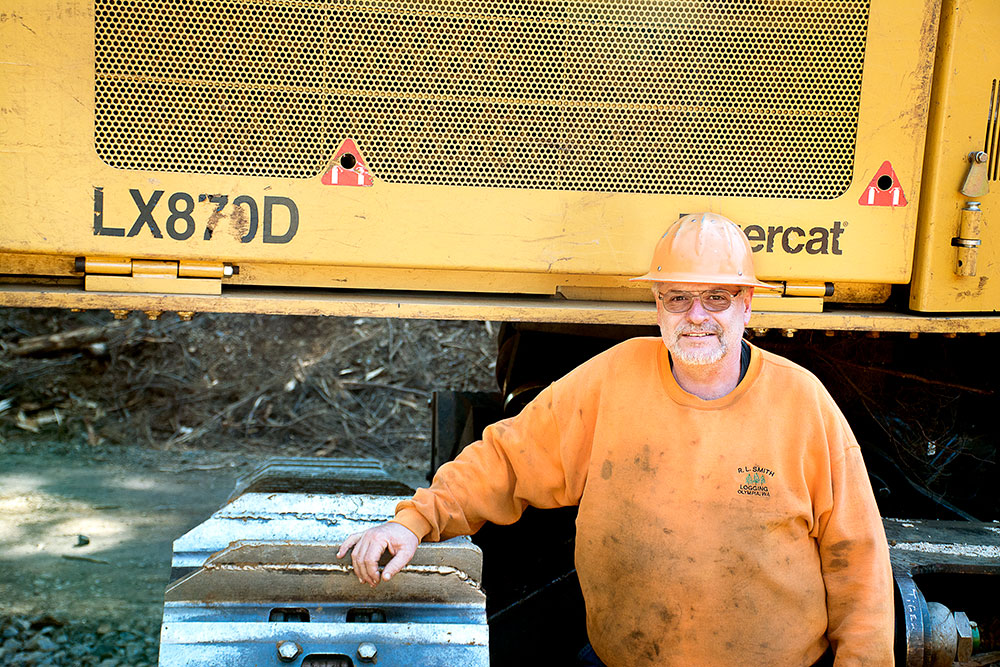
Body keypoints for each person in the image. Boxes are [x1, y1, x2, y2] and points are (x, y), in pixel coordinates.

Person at [338, 213, 894, 666]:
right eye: (677, 298)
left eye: (716, 299)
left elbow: (858, 561)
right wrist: (416, 520)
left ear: (747, 305)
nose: (695, 317)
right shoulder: (611, 380)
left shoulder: (804, 405)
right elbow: (509, 460)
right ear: (658, 306)